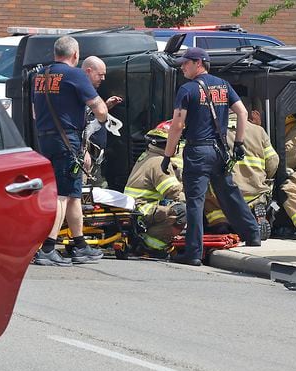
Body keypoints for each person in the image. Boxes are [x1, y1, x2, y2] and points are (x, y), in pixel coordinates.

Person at [164, 47, 261, 266]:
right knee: (228, 192)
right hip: (220, 150)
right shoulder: (223, 85)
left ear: (198, 63)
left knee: (195, 202)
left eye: (185, 63)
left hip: (197, 151)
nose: (182, 67)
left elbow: (178, 125)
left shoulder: (187, 89)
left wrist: (168, 155)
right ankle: (252, 233)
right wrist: (239, 143)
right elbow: (243, 112)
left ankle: (193, 253)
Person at [31, 36, 109, 266]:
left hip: (46, 138)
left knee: (73, 193)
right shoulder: (75, 74)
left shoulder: (40, 76)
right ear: (75, 55)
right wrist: (102, 119)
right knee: (62, 195)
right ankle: (47, 248)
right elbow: (99, 108)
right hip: (67, 140)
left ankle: (80, 244)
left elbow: (36, 112)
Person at [204, 111, 278, 236]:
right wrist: (264, 177)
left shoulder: (210, 130)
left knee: (211, 201)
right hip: (256, 190)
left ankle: (222, 225)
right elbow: (273, 161)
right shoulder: (258, 130)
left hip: (226, 192)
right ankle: (256, 212)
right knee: (260, 196)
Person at [125, 121, 186, 255]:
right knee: (182, 211)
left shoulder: (148, 155)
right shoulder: (159, 161)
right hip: (143, 210)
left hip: (137, 209)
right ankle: (151, 245)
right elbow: (173, 191)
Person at [80, 56, 123, 187]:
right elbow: (77, 125)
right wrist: (83, 151)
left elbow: (91, 117)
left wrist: (105, 106)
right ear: (88, 71)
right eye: (100, 75)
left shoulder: (91, 91)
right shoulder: (78, 91)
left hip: (96, 159)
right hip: (85, 159)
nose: (103, 79)